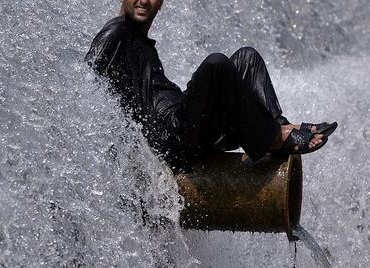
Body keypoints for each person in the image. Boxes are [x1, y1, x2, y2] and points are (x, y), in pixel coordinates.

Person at [85, 0, 337, 171]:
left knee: (247, 59)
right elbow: (87, 79)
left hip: (188, 127)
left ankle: (278, 127)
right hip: (172, 140)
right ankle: (276, 137)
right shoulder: (117, 31)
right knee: (216, 64)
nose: (143, 0)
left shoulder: (139, 40)